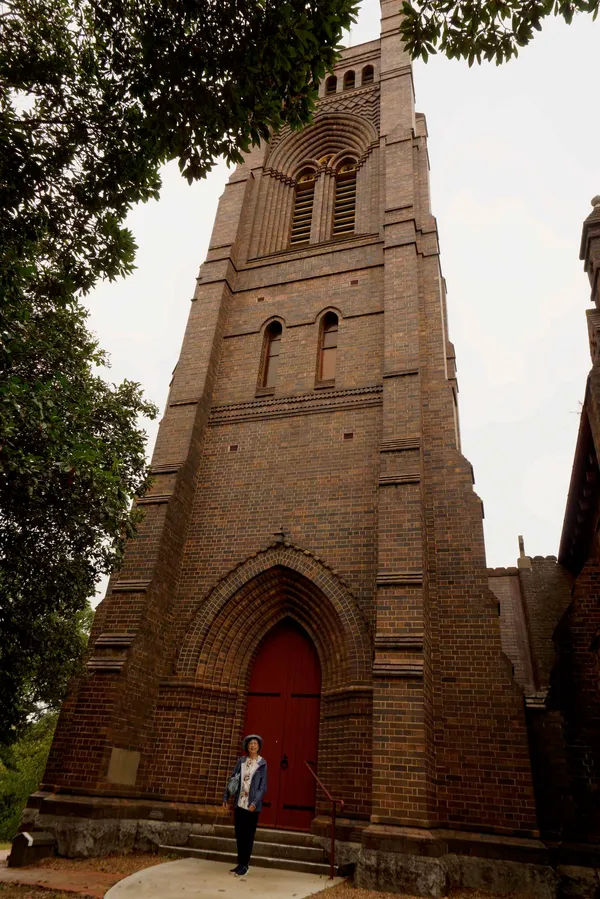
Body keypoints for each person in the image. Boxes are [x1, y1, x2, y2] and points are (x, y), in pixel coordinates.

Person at [222, 733, 267, 877]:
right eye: (250, 743)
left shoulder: (262, 764)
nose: (253, 745)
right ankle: (240, 864)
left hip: (252, 807)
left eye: (255, 743)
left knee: (248, 835)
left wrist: (255, 802)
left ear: (258, 746)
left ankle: (245, 865)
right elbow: (233, 780)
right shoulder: (241, 761)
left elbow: (262, 787)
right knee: (239, 835)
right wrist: (226, 796)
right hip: (239, 804)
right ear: (247, 747)